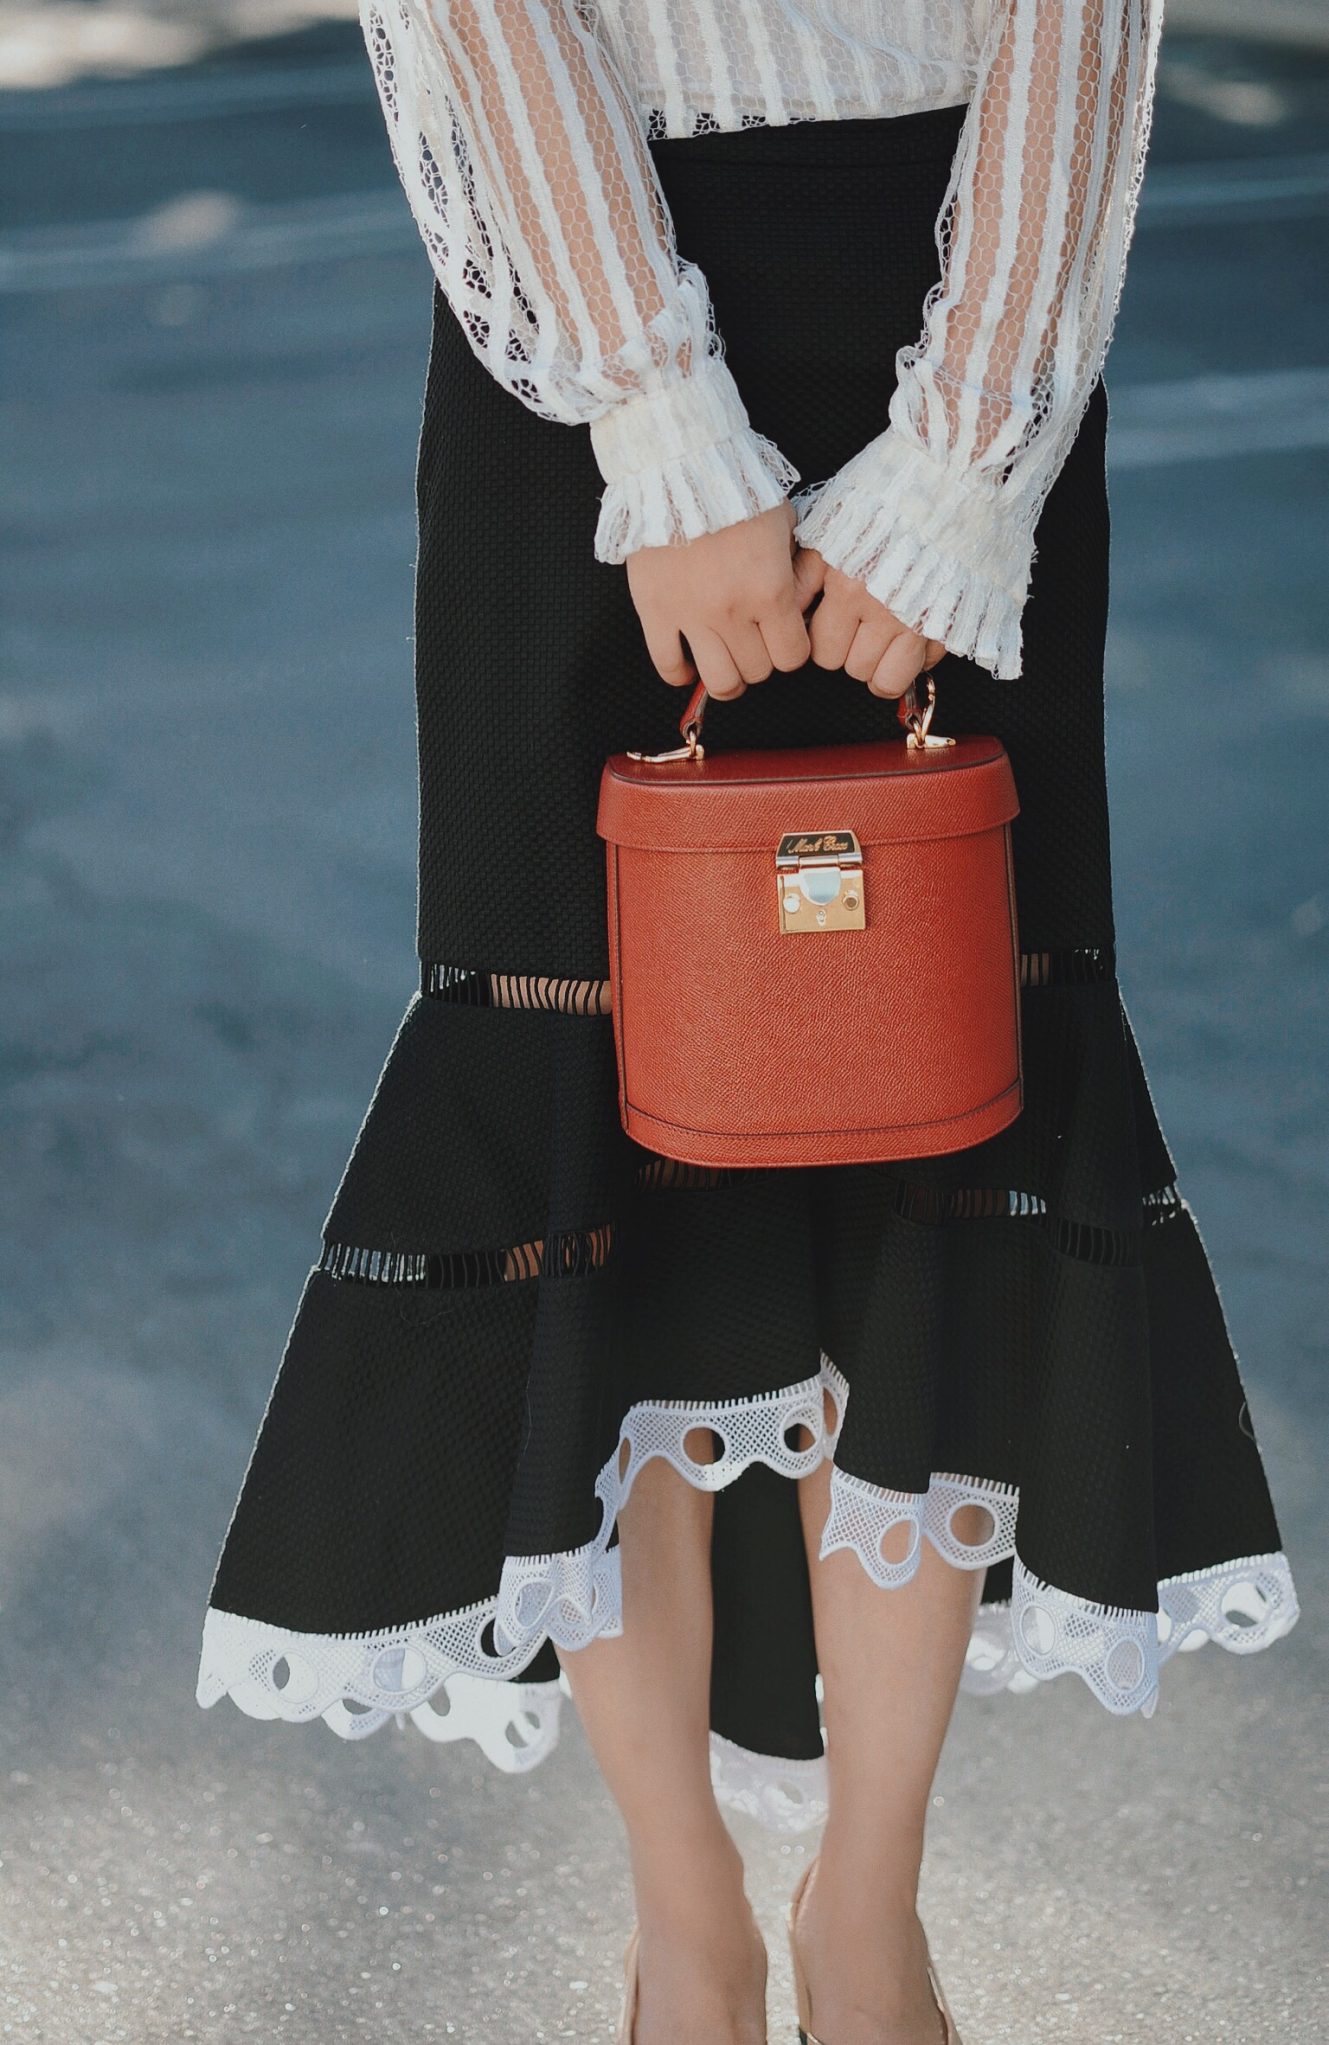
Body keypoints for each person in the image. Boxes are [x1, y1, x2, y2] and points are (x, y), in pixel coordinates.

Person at [196, 1, 1301, 2039]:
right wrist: (654, 414)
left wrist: (969, 454)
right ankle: (682, 1920)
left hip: (970, 293)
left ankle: (865, 1916)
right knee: (592, 1150)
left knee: (936, 1135)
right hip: (584, 305)